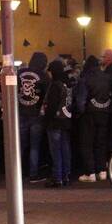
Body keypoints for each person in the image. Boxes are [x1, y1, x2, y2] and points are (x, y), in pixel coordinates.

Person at [76, 55, 112, 182]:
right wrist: (108, 109)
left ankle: (90, 173)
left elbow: (80, 101)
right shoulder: (108, 78)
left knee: (87, 143)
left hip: (89, 114)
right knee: (101, 143)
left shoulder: (85, 79)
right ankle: (102, 171)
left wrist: (81, 113)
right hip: (104, 114)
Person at [17, 52, 49, 183]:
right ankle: (33, 174)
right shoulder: (44, 76)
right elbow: (47, 94)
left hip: (20, 112)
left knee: (21, 145)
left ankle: (18, 171)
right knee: (34, 146)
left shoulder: (20, 72)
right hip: (36, 114)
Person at [43, 59, 73, 188]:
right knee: (65, 149)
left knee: (55, 151)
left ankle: (57, 177)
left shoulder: (55, 85)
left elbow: (51, 106)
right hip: (65, 120)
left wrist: (47, 118)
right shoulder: (67, 83)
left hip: (55, 122)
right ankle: (66, 175)